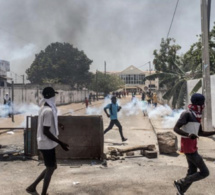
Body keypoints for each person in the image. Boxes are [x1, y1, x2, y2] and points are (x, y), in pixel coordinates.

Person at [26, 87, 69, 195]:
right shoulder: (48, 111)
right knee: (50, 168)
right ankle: (43, 194)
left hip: (46, 143)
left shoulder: (44, 108)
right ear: (51, 96)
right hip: (46, 144)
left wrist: (58, 124)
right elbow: (46, 131)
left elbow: (48, 122)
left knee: (52, 167)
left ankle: (32, 187)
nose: (55, 97)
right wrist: (61, 142)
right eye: (54, 95)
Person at [173, 93, 215, 195]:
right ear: (196, 102)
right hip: (188, 147)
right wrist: (188, 135)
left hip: (193, 147)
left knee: (192, 171)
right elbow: (176, 128)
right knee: (205, 172)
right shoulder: (187, 114)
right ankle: (180, 182)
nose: (203, 104)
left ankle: (180, 191)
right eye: (202, 102)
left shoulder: (197, 116)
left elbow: (200, 133)